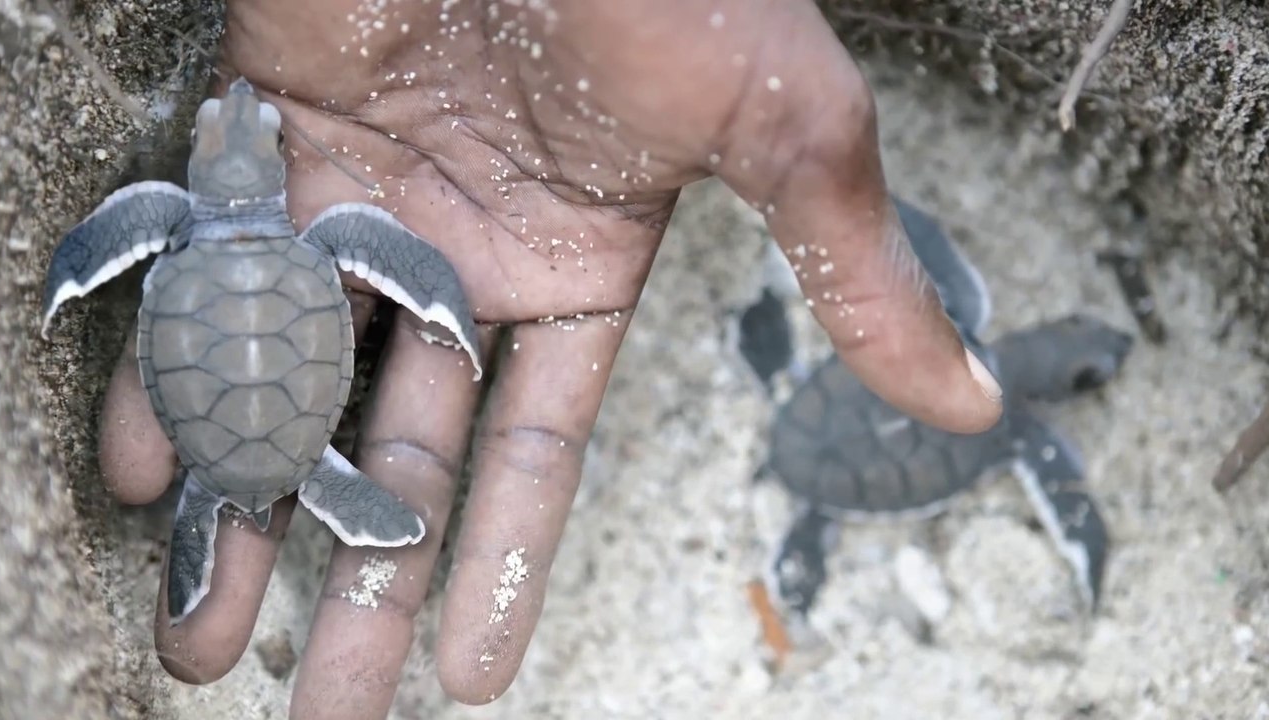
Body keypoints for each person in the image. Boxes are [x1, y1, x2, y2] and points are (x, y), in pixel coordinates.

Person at [97, 1, 1005, 717]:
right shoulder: (323, 229)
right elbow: (385, 253)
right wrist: (443, 307)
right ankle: (309, 480)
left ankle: (246, 491)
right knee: (306, 424)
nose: (242, 121)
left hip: (223, 340)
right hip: (293, 365)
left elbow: (119, 240)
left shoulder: (178, 218)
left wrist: (77, 276)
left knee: (220, 484)